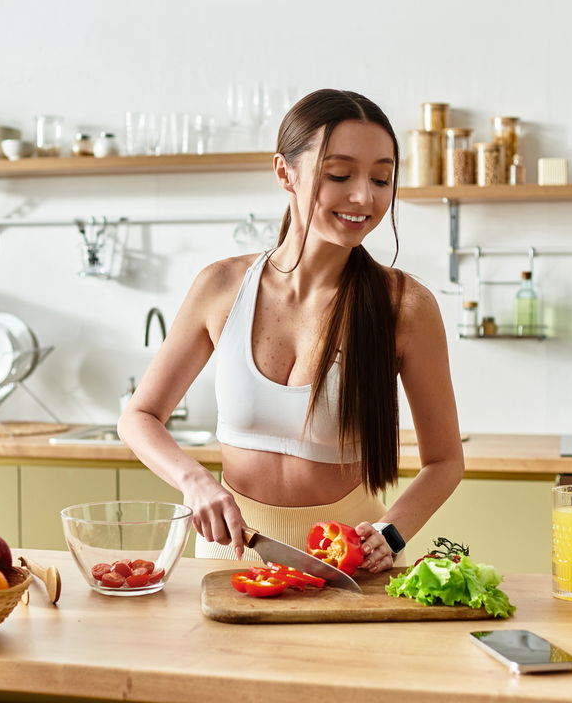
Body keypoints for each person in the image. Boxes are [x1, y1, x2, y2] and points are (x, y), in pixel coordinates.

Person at [117, 89, 464, 573]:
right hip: (230, 554)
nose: (363, 196)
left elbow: (446, 461)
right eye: (339, 174)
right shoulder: (222, 287)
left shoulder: (404, 306)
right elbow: (139, 415)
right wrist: (194, 481)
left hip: (350, 562)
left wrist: (391, 531)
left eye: (381, 178)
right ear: (285, 172)